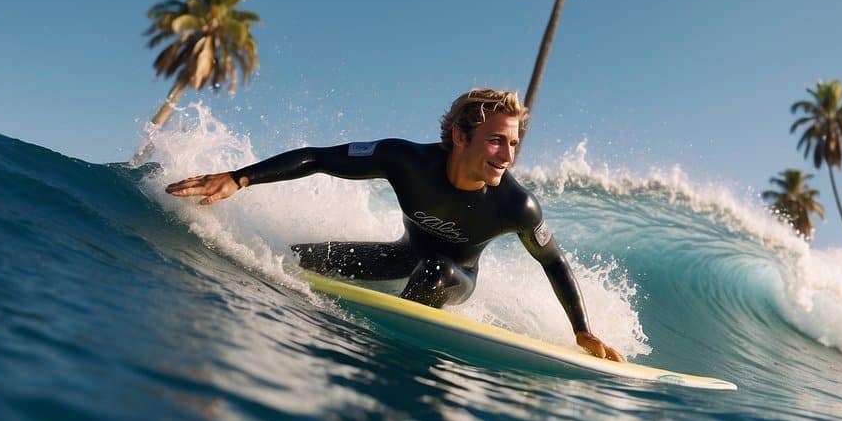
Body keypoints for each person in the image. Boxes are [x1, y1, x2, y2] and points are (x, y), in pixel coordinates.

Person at [165, 88, 624, 362]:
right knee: (300, 258)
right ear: (460, 137)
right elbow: (320, 158)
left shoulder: (516, 205)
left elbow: (554, 262)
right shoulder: (406, 161)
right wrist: (239, 178)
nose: (507, 156)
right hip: (403, 255)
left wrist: (581, 330)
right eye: (495, 141)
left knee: (436, 273)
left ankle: (385, 356)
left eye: (513, 144)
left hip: (455, 277)